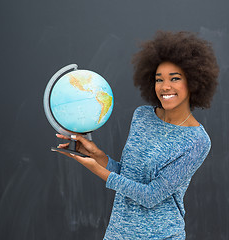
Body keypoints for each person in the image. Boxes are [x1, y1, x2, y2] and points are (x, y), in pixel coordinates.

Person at [55, 31, 219, 239]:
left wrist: (99, 172)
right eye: (159, 79)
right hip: (118, 233)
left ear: (194, 81)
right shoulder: (142, 116)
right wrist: (98, 156)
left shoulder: (197, 141)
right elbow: (129, 176)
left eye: (174, 79)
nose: (165, 86)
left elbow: (151, 195)